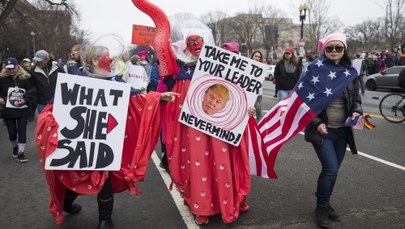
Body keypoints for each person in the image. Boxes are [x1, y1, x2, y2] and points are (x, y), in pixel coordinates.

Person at [35, 44, 179, 229]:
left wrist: (158, 97)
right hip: (79, 142)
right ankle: (68, 204)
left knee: (104, 177)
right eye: (106, 56)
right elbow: (54, 106)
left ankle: (105, 220)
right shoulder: (74, 79)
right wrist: (48, 121)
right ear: (95, 60)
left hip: (103, 141)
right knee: (76, 174)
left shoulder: (114, 80)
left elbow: (135, 97)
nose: (111, 59)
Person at [165, 35, 254, 224]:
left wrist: (246, 109)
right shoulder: (183, 74)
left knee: (222, 162)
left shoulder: (221, 69)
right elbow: (175, 101)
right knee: (199, 163)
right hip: (193, 129)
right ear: (186, 48)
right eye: (191, 44)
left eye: (199, 44)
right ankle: (202, 206)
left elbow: (239, 94)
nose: (196, 46)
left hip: (219, 128)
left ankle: (226, 201)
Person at [304, 33, 363, 228]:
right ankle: (321, 207)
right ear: (324, 50)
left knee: (334, 171)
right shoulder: (314, 70)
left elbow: (356, 97)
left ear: (344, 50)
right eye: (330, 48)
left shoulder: (350, 72)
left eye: (339, 48)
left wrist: (356, 112)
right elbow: (304, 100)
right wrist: (316, 121)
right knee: (330, 169)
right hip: (323, 131)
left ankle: (326, 203)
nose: (334, 51)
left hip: (343, 131)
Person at [0, 57, 34, 163]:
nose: (11, 71)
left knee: (22, 131)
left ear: (17, 67)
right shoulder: (2, 78)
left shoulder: (26, 77)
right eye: (8, 69)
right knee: (12, 133)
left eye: (13, 68)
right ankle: (15, 146)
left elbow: (31, 91)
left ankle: (21, 152)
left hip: (22, 109)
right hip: (8, 110)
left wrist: (25, 99)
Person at [250, 50, 264, 121]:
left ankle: (259, 128)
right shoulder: (248, 65)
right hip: (249, 92)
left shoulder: (263, 68)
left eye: (259, 57)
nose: (257, 58)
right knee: (249, 112)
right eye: (255, 56)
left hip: (258, 93)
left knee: (258, 111)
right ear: (252, 56)